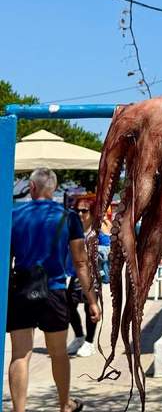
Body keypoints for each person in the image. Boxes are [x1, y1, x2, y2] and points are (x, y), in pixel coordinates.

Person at [8, 168, 101, 412]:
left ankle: (19, 410)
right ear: (54, 188)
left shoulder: (13, 214)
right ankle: (64, 405)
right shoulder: (68, 217)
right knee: (59, 353)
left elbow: (6, 259)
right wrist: (91, 300)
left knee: (20, 355)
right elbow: (80, 262)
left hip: (21, 290)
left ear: (32, 187)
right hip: (55, 291)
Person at [65, 196, 99, 358]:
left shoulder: (96, 233)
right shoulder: (71, 230)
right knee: (68, 306)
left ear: (92, 212)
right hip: (74, 275)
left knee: (89, 308)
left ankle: (89, 343)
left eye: (84, 211)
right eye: (76, 210)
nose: (79, 214)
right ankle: (79, 336)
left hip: (92, 276)